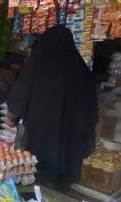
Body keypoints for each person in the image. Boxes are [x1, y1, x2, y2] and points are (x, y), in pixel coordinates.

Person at [6, 25, 98, 191]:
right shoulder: (81, 71)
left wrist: (12, 117)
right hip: (71, 142)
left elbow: (21, 93)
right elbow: (91, 109)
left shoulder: (38, 66)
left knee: (36, 176)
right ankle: (59, 194)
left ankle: (37, 198)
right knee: (62, 181)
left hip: (42, 136)